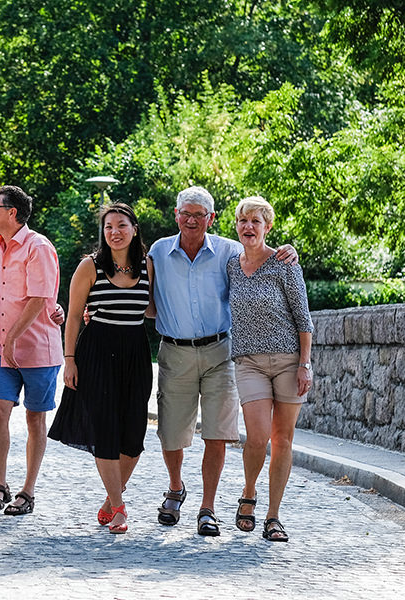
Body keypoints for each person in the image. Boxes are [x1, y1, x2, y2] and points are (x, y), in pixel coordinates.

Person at [146, 185, 296, 537]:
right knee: (171, 432)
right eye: (187, 214)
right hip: (174, 351)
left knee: (217, 433)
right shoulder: (157, 251)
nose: (192, 221)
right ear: (176, 215)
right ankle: (175, 487)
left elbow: (261, 262)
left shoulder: (230, 252)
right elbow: (138, 290)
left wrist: (286, 253)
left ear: (211, 219)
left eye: (200, 215)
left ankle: (207, 508)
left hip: (221, 353)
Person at [48, 203, 153, 534]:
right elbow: (74, 317)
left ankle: (110, 499)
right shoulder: (89, 266)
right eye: (108, 227)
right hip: (97, 350)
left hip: (136, 351)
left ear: (134, 229)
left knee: (134, 434)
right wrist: (69, 360)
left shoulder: (147, 265)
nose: (115, 232)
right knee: (105, 429)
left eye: (121, 225)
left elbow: (152, 310)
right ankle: (120, 508)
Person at [227, 196, 313, 542]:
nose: (248, 227)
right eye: (243, 220)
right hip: (249, 362)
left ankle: (273, 515)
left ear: (268, 227)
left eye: (256, 222)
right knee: (258, 436)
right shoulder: (231, 265)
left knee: (282, 440)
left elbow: (303, 317)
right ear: (235, 225)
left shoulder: (285, 264)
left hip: (290, 362)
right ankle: (248, 492)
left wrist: (305, 364)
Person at [0, 185, 63, 516]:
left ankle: (27, 491)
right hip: (4, 349)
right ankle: (0, 483)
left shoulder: (38, 247)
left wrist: (13, 338)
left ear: (11, 212)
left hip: (37, 350)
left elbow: (39, 299)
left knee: (34, 418)